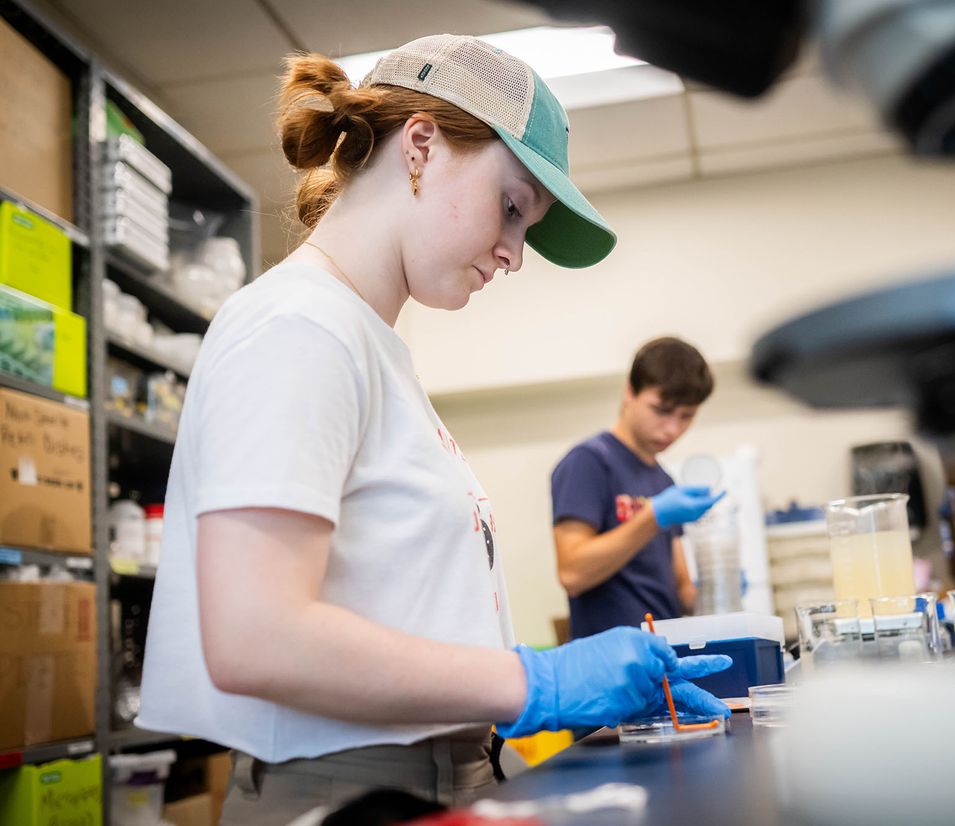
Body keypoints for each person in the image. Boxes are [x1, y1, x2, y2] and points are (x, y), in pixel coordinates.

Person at [135, 35, 730, 825]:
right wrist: (536, 683)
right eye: (512, 209)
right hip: (347, 790)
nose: (515, 254)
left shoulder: (373, 348)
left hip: (437, 772)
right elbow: (255, 635)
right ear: (420, 146)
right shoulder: (299, 326)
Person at [552, 337, 722, 640]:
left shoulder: (664, 480)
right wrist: (652, 517)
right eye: (662, 410)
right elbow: (572, 573)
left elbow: (681, 589)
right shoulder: (589, 462)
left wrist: (717, 585)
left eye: (686, 416)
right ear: (630, 391)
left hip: (663, 657)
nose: (672, 429)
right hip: (612, 668)